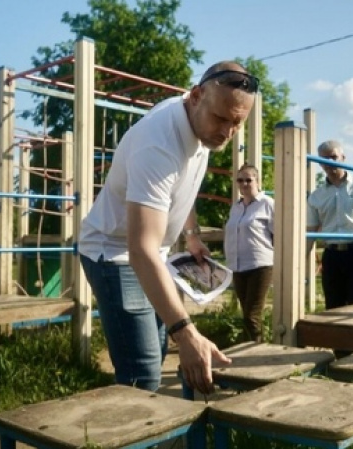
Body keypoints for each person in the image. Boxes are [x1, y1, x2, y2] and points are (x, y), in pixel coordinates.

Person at [77, 61, 257, 394]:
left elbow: (178, 191)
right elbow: (140, 249)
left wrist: (190, 235)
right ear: (196, 96)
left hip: (152, 253)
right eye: (220, 118)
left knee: (156, 351)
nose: (226, 132)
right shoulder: (157, 144)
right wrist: (187, 333)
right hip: (114, 252)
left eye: (237, 122)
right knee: (142, 370)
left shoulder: (199, 123)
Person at [307, 140, 353, 310]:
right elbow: (310, 229)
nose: (330, 162)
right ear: (320, 163)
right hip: (332, 255)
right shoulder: (317, 195)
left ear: (343, 158)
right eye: (325, 159)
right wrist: (301, 260)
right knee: (333, 307)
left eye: (334, 157)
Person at [223, 164, 275, 342]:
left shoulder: (267, 204)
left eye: (248, 180)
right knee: (246, 312)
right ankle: (250, 346)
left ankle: (256, 350)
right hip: (238, 265)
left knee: (252, 315)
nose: (244, 184)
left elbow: (278, 234)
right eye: (240, 180)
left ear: (257, 181)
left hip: (260, 265)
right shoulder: (235, 207)